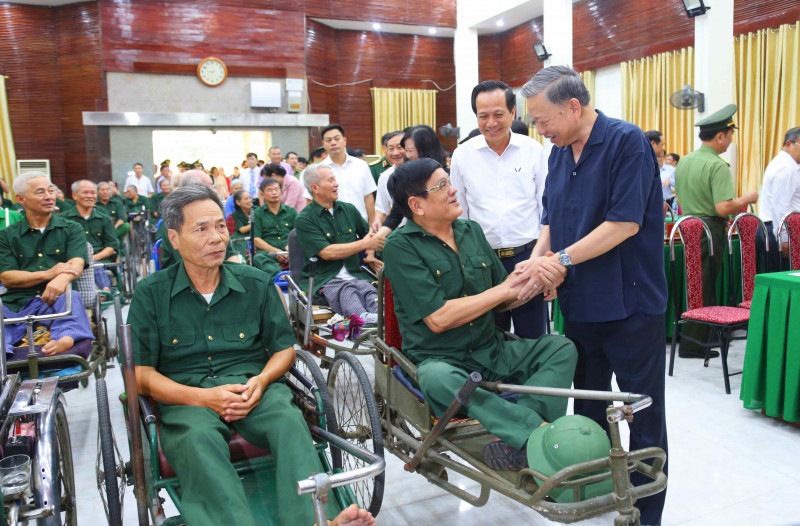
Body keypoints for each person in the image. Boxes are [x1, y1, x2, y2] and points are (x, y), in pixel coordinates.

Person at [128, 183, 342, 526]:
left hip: (253, 387)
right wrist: (203, 397)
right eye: (201, 229)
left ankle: (314, 521)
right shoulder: (151, 294)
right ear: (174, 238)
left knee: (288, 421)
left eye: (220, 226)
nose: (217, 238)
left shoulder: (256, 283)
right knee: (197, 439)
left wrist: (263, 380)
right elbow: (140, 374)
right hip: (187, 397)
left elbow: (283, 349)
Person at [516, 65, 668, 524]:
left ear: (573, 106)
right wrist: (536, 263)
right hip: (580, 304)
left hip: (630, 306)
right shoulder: (559, 153)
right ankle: (595, 497)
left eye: (543, 120)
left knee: (641, 414)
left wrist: (559, 261)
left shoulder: (626, 142)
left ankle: (645, 513)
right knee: (586, 409)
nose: (540, 130)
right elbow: (551, 219)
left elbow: (623, 224)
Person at [383, 158, 577, 470]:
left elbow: (502, 296)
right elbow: (439, 319)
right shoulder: (400, 246)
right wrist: (505, 289)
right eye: (442, 186)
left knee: (560, 347)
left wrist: (537, 280)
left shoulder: (470, 230)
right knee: (436, 378)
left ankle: (520, 440)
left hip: (492, 351)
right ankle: (536, 433)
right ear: (417, 205)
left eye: (449, 181)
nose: (453, 190)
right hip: (444, 360)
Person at [450, 80, 550, 339]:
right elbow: (460, 213)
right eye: (483, 116)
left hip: (528, 258)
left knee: (532, 338)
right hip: (483, 262)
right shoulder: (462, 155)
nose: (491, 123)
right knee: (489, 337)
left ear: (513, 113)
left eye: (498, 114)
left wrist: (545, 260)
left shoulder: (533, 150)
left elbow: (546, 208)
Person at [674, 104, 759, 358]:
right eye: (730, 135)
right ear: (720, 136)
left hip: (688, 226)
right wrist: (747, 198)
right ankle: (695, 344)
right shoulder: (717, 165)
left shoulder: (685, 161)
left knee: (693, 284)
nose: (731, 140)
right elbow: (723, 207)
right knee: (705, 283)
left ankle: (697, 338)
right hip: (709, 230)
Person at [0, 172, 94, 356]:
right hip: (18, 303)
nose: (49, 196)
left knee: (71, 296)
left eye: (51, 191)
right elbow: (7, 277)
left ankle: (67, 337)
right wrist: (49, 274)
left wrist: (62, 279)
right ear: (21, 199)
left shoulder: (71, 228)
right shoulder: (6, 235)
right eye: (40, 192)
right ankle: (6, 352)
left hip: (58, 300)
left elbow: (76, 262)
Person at [295, 165, 382, 323]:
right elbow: (327, 252)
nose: (336, 184)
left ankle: (381, 317)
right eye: (330, 180)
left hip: (356, 274)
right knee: (346, 289)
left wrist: (371, 254)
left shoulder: (349, 210)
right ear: (315, 188)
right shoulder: (305, 219)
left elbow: (369, 235)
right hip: (325, 279)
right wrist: (364, 244)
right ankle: (362, 318)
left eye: (335, 179)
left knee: (369, 290)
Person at [61, 180, 119, 292]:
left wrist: (92, 258)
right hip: (71, 261)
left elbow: (111, 246)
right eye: (85, 192)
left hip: (98, 260)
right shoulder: (64, 219)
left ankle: (104, 292)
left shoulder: (104, 219)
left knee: (95, 268)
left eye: (93, 193)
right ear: (74, 195)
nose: (89, 196)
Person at [312, 124, 377, 223]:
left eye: (337, 139)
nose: (333, 143)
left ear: (344, 141)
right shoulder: (318, 170)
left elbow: (368, 197)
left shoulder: (361, 165)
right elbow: (312, 201)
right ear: (324, 144)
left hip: (360, 224)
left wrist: (372, 223)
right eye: (329, 140)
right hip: (331, 225)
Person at [758, 126, 800, 272]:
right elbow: (780, 205)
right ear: (789, 144)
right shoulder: (786, 168)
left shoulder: (785, 164)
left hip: (774, 228)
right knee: (780, 278)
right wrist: (784, 238)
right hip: (778, 229)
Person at [254, 178, 297, 268]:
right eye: (270, 190)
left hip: (291, 251)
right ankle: (280, 275)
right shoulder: (258, 213)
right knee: (258, 258)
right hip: (268, 253)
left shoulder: (291, 212)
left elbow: (300, 234)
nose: (274, 193)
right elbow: (256, 240)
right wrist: (275, 251)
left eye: (276, 189)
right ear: (263, 195)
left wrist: (291, 247)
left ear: (281, 192)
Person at [373, 131, 406, 231]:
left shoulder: (421, 172)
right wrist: (377, 220)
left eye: (399, 147)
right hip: (398, 231)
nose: (395, 153)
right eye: (391, 149)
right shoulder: (385, 177)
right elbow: (381, 207)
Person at [646, 130, 676, 208]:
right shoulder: (644, 163)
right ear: (653, 143)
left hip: (666, 202)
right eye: (662, 145)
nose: (662, 149)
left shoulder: (671, 169)